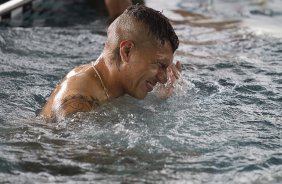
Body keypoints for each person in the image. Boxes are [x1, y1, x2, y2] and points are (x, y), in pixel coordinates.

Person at [40, 4, 181, 122]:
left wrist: (161, 100)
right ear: (126, 51)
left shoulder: (111, 83)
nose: (163, 79)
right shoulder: (77, 103)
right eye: (159, 64)